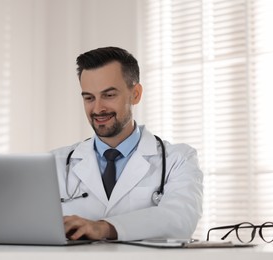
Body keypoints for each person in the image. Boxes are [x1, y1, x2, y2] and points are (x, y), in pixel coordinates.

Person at [51, 46, 203, 241]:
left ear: (136, 94)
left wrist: (104, 228)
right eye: (89, 98)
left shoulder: (178, 159)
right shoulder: (55, 163)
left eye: (109, 95)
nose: (97, 108)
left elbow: (181, 219)